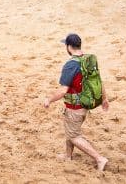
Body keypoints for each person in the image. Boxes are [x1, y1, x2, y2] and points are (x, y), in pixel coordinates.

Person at [44, 33, 110, 172]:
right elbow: (99, 80)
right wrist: (104, 98)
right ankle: (68, 156)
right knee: (70, 130)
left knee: (74, 136)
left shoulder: (70, 65)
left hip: (75, 108)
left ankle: (99, 158)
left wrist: (49, 99)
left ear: (68, 47)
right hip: (86, 103)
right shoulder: (89, 59)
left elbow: (63, 90)